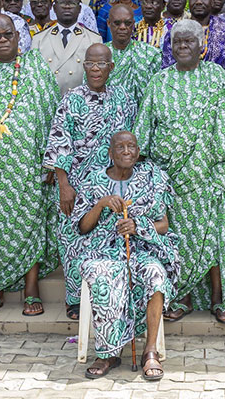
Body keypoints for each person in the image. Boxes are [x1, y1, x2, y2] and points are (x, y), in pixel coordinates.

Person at [134, 19, 225, 324]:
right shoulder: (159, 82)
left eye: (189, 41)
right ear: (170, 46)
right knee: (177, 240)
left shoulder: (216, 77)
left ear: (203, 46)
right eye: (177, 42)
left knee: (214, 237)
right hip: (171, 180)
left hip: (211, 176)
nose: (183, 47)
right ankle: (181, 297)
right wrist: (152, 179)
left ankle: (219, 299)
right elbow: (143, 134)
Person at [0, 15, 60, 318]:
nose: (3, 40)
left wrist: (51, 162)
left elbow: (53, 115)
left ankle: (31, 290)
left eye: (8, 34)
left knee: (30, 223)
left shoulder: (36, 67)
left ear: (18, 36)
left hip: (29, 166)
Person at [75, 131, 179, 381]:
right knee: (102, 275)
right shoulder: (93, 181)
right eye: (120, 147)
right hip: (103, 250)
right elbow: (82, 227)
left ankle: (150, 350)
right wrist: (100, 204)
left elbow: (163, 224)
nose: (126, 151)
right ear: (110, 153)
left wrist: (137, 226)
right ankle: (107, 353)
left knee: (155, 274)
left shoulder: (149, 181)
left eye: (131, 146)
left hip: (141, 249)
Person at [44, 43, 137, 320]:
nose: (95, 69)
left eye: (101, 64)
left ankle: (108, 295)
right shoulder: (71, 99)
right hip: (77, 186)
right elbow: (59, 141)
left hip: (112, 186)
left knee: (108, 239)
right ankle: (75, 299)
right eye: (90, 64)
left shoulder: (123, 98)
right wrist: (63, 184)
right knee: (73, 240)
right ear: (84, 66)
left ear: (111, 67)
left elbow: (130, 143)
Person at [33, 0, 103, 95]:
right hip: (49, 104)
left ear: (80, 9)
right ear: (54, 8)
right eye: (62, 3)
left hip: (80, 105)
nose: (66, 6)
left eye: (72, 3)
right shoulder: (39, 39)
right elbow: (33, 77)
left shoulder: (94, 39)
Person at [160, 0, 225, 70]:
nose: (198, 2)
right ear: (188, 1)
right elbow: (168, 66)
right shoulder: (176, 31)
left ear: (212, 1)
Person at [107, 4, 161, 106]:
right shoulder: (99, 54)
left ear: (133, 24)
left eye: (127, 23)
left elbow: (157, 92)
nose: (122, 27)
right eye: (117, 23)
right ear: (109, 23)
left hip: (142, 117)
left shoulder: (150, 54)